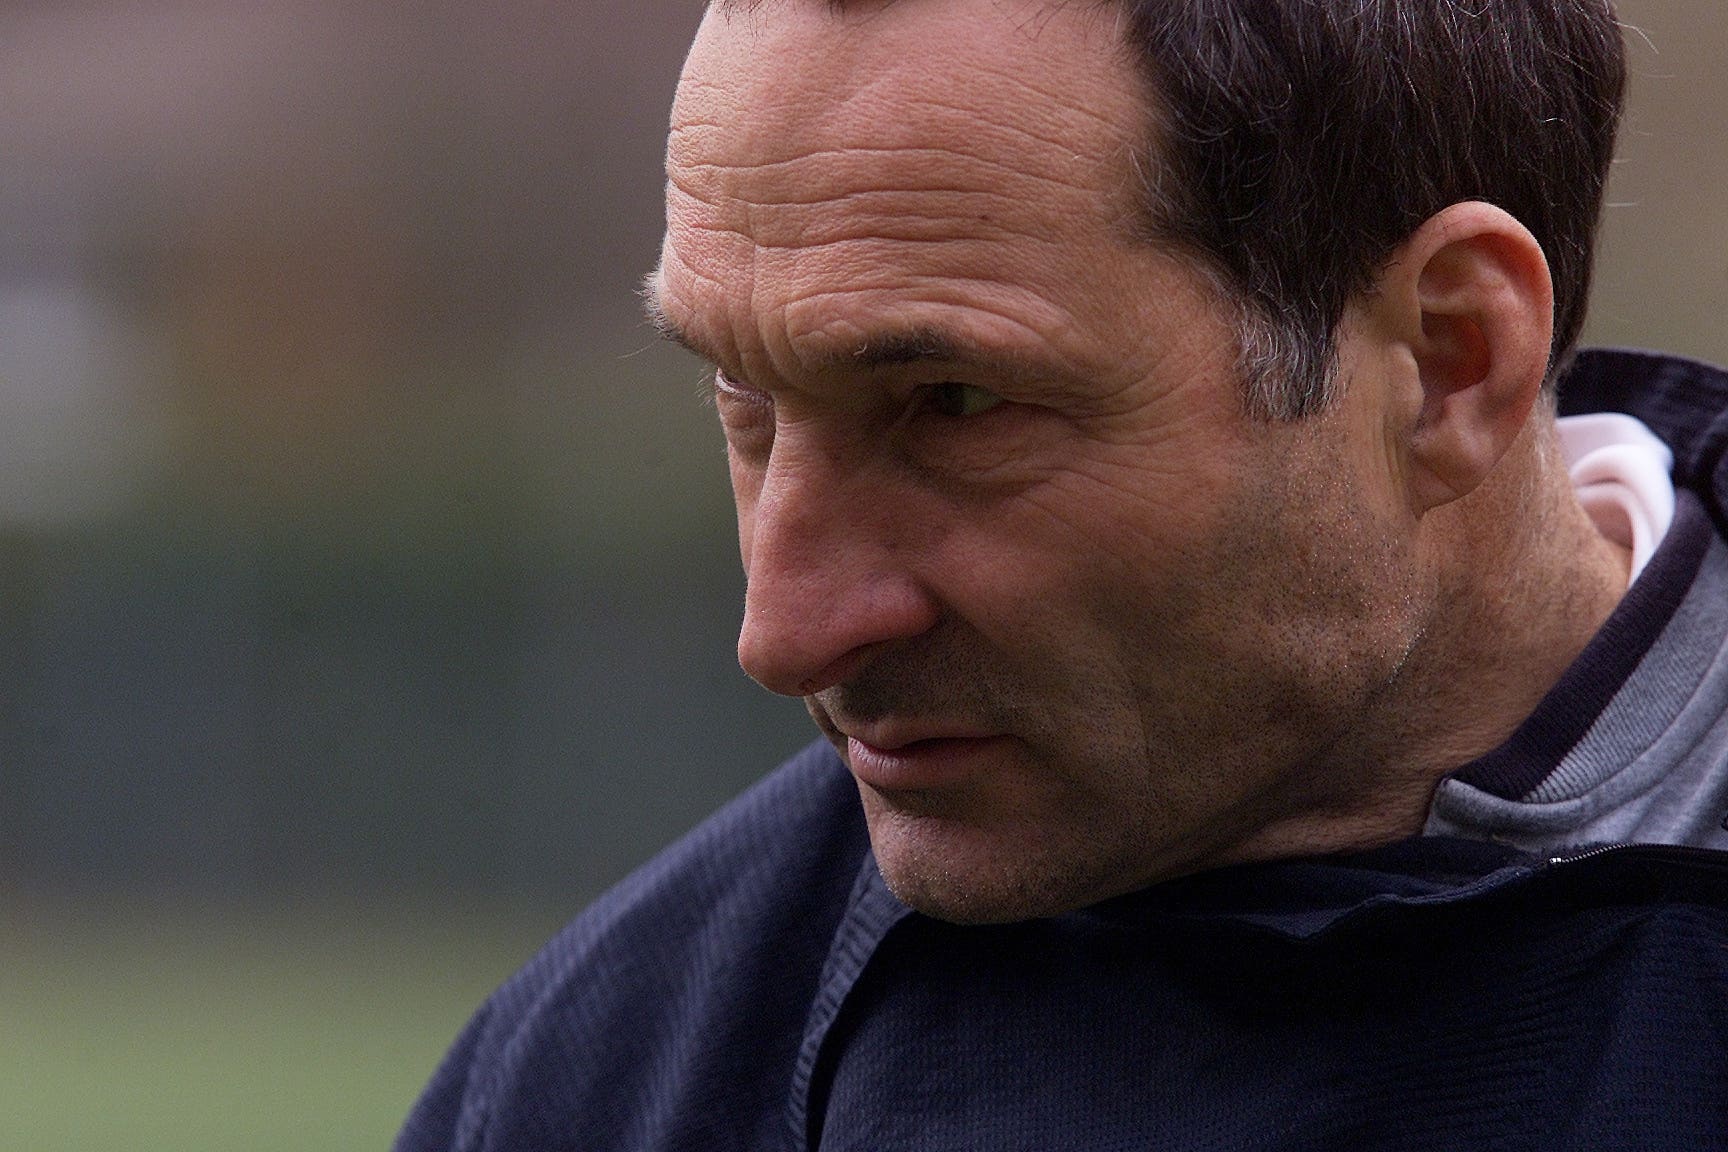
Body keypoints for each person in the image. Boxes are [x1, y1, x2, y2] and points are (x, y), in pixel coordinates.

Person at [397, 0, 1728, 1148]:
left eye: (958, 404)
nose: (786, 631)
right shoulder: (623, 1077)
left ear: (1447, 361)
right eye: (743, 395)